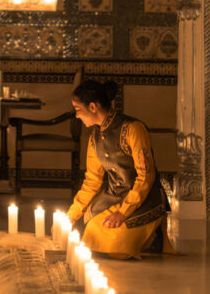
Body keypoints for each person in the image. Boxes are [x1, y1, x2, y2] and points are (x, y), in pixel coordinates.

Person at [66, 79, 173, 259]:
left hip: (143, 199)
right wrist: (72, 214)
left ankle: (154, 237)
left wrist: (123, 213)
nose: (76, 116)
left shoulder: (133, 129)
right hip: (114, 198)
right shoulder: (95, 138)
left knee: (117, 248)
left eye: (78, 110)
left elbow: (146, 176)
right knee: (91, 233)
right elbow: (92, 181)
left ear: (93, 107)